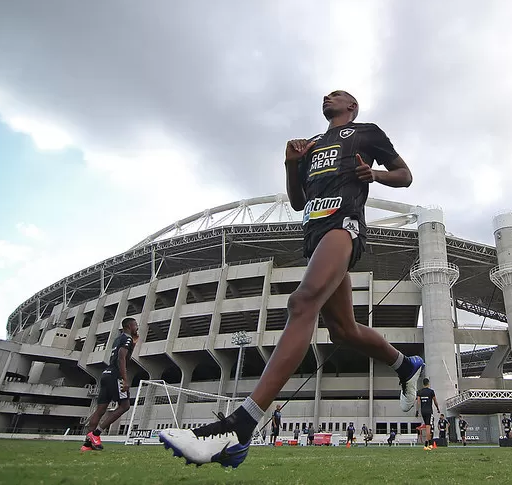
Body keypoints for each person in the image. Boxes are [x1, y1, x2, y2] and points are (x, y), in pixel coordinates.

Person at [159, 90, 420, 468]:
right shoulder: (310, 145)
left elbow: (405, 176)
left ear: (352, 106)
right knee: (343, 331)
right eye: (326, 94)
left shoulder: (366, 132)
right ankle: (405, 365)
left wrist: (374, 174)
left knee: (301, 302)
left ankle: (240, 426)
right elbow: (298, 201)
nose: (328, 96)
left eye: (337, 95)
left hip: (343, 225)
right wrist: (290, 164)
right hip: (314, 235)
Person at [81, 318, 138, 452]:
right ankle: (96, 434)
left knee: (100, 410)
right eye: (135, 325)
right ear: (129, 326)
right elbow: (121, 358)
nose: (137, 327)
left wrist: (134, 343)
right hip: (116, 376)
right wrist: (125, 379)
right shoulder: (127, 339)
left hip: (106, 374)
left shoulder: (118, 339)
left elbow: (124, 355)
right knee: (125, 406)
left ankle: (87, 444)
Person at [417, 378, 441, 450]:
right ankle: (428, 445)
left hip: (423, 411)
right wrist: (438, 408)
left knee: (427, 427)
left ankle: (427, 444)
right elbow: (435, 401)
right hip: (429, 411)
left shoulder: (419, 392)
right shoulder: (431, 391)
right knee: (428, 428)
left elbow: (418, 402)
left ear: (423, 384)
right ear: (428, 383)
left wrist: (417, 411)